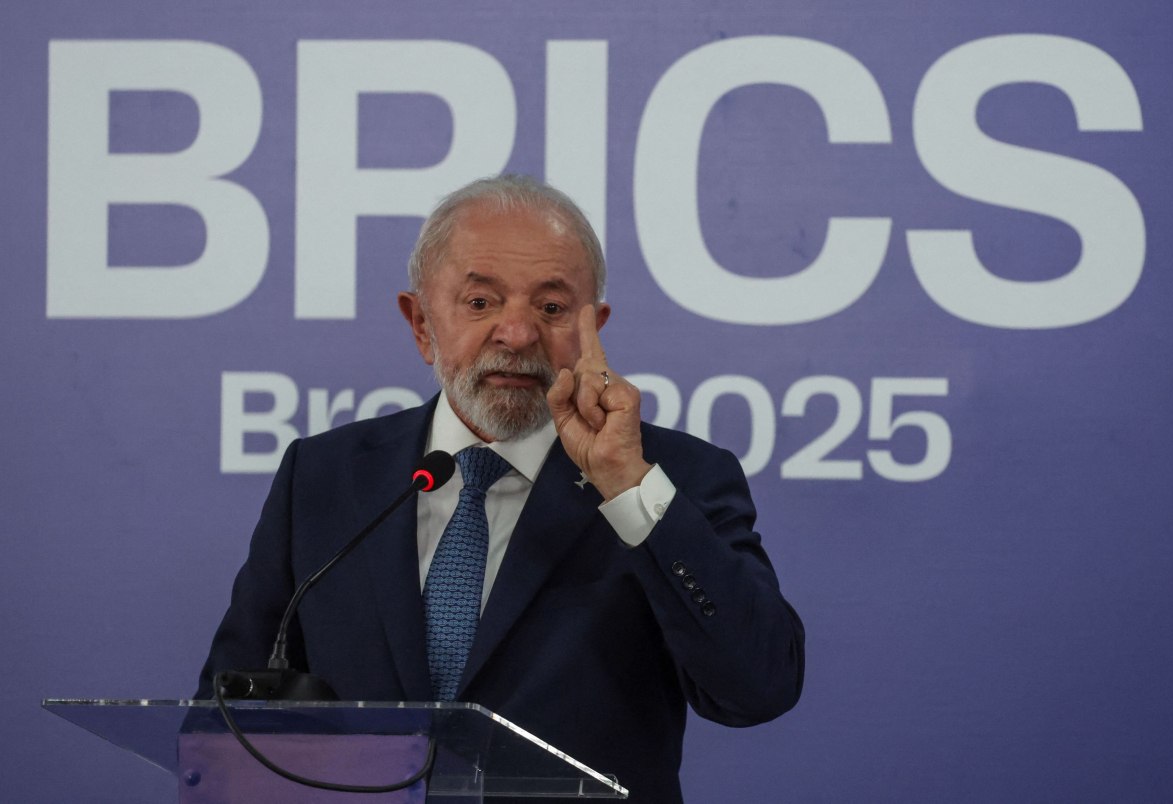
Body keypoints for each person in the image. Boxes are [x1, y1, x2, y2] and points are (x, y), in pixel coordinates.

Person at [197, 174, 804, 802]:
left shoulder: (672, 479)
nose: (517, 334)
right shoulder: (324, 476)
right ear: (421, 323)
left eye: (551, 308)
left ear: (593, 329)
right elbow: (224, 720)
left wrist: (627, 486)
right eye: (481, 302)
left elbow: (759, 688)